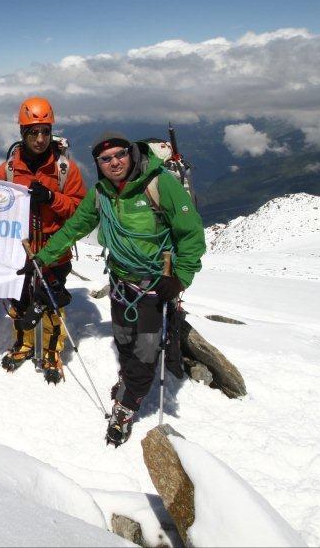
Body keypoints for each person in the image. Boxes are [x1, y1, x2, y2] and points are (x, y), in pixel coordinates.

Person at [28, 131, 205, 446]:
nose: (114, 163)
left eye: (120, 155)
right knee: (124, 341)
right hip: (121, 282)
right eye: (105, 159)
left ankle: (125, 407)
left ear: (131, 153)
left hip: (156, 283)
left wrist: (180, 277)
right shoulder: (101, 194)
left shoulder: (160, 184)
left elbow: (190, 232)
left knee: (146, 352)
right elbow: (75, 227)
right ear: (98, 164)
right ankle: (129, 381)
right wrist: (42, 258)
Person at [0, 97, 86, 383]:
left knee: (50, 304)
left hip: (54, 250)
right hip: (19, 250)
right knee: (20, 301)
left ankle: (50, 351)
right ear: (23, 133)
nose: (40, 138)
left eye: (45, 131)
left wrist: (52, 198)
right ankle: (23, 344)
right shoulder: (8, 170)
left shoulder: (64, 170)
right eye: (34, 132)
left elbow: (80, 211)